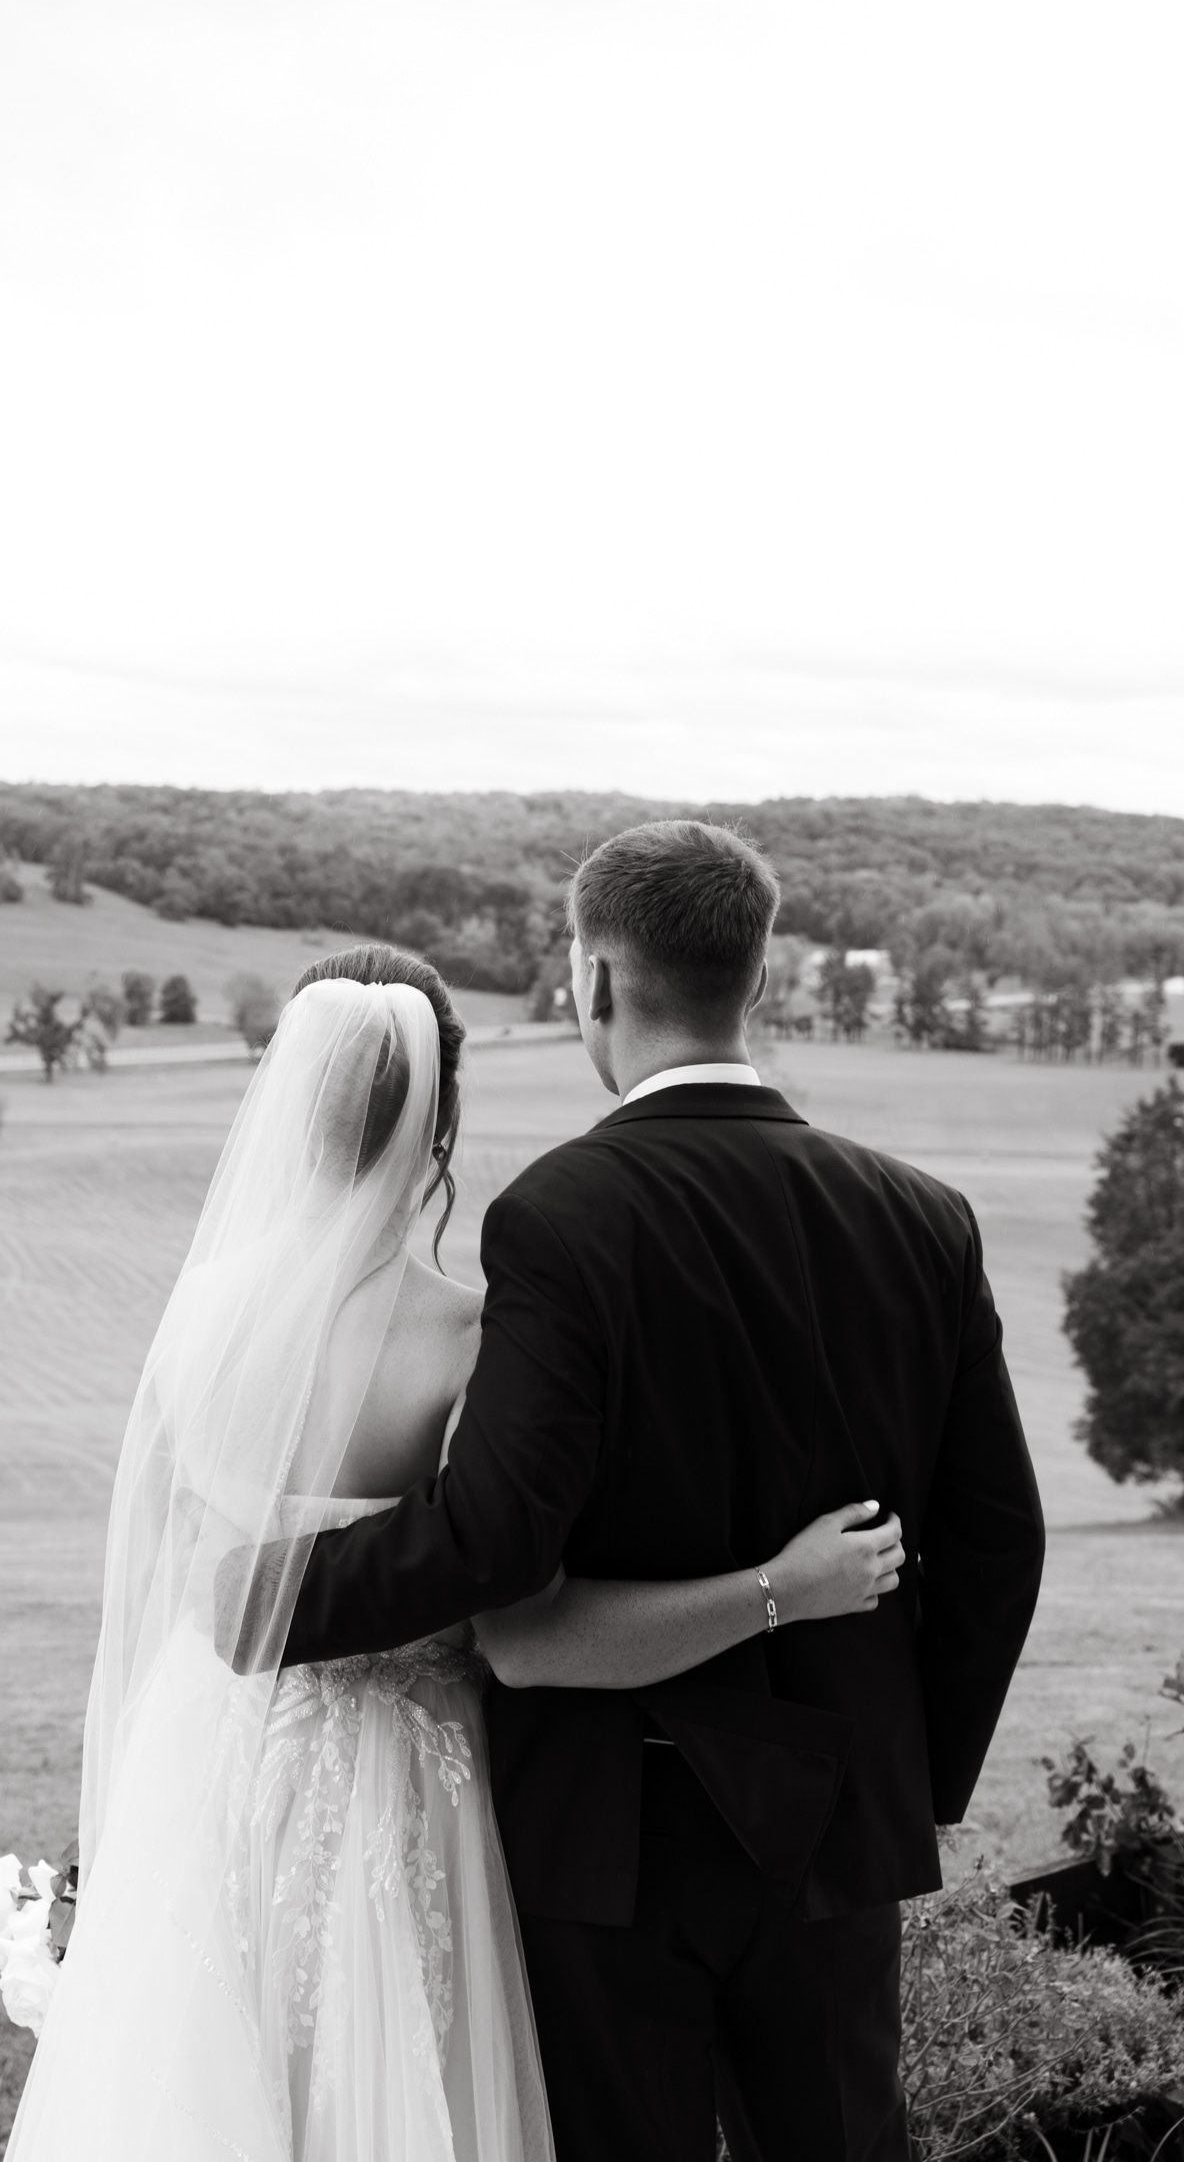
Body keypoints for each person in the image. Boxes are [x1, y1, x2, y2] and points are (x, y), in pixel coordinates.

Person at [4, 940, 907, 2162]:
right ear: (442, 1121)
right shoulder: (461, 1339)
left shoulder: (198, 1318)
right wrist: (774, 1590)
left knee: (206, 2083)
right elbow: (505, 1591)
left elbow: (165, 1584)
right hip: (405, 1772)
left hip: (207, 1752)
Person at [239, 825, 1046, 2162]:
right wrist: (913, 1780)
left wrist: (260, 1595)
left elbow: (495, 1541)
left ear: (594, 982)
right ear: (757, 976)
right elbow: (997, 1546)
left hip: (609, 1837)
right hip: (841, 1825)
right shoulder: (923, 1215)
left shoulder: (563, 1216)